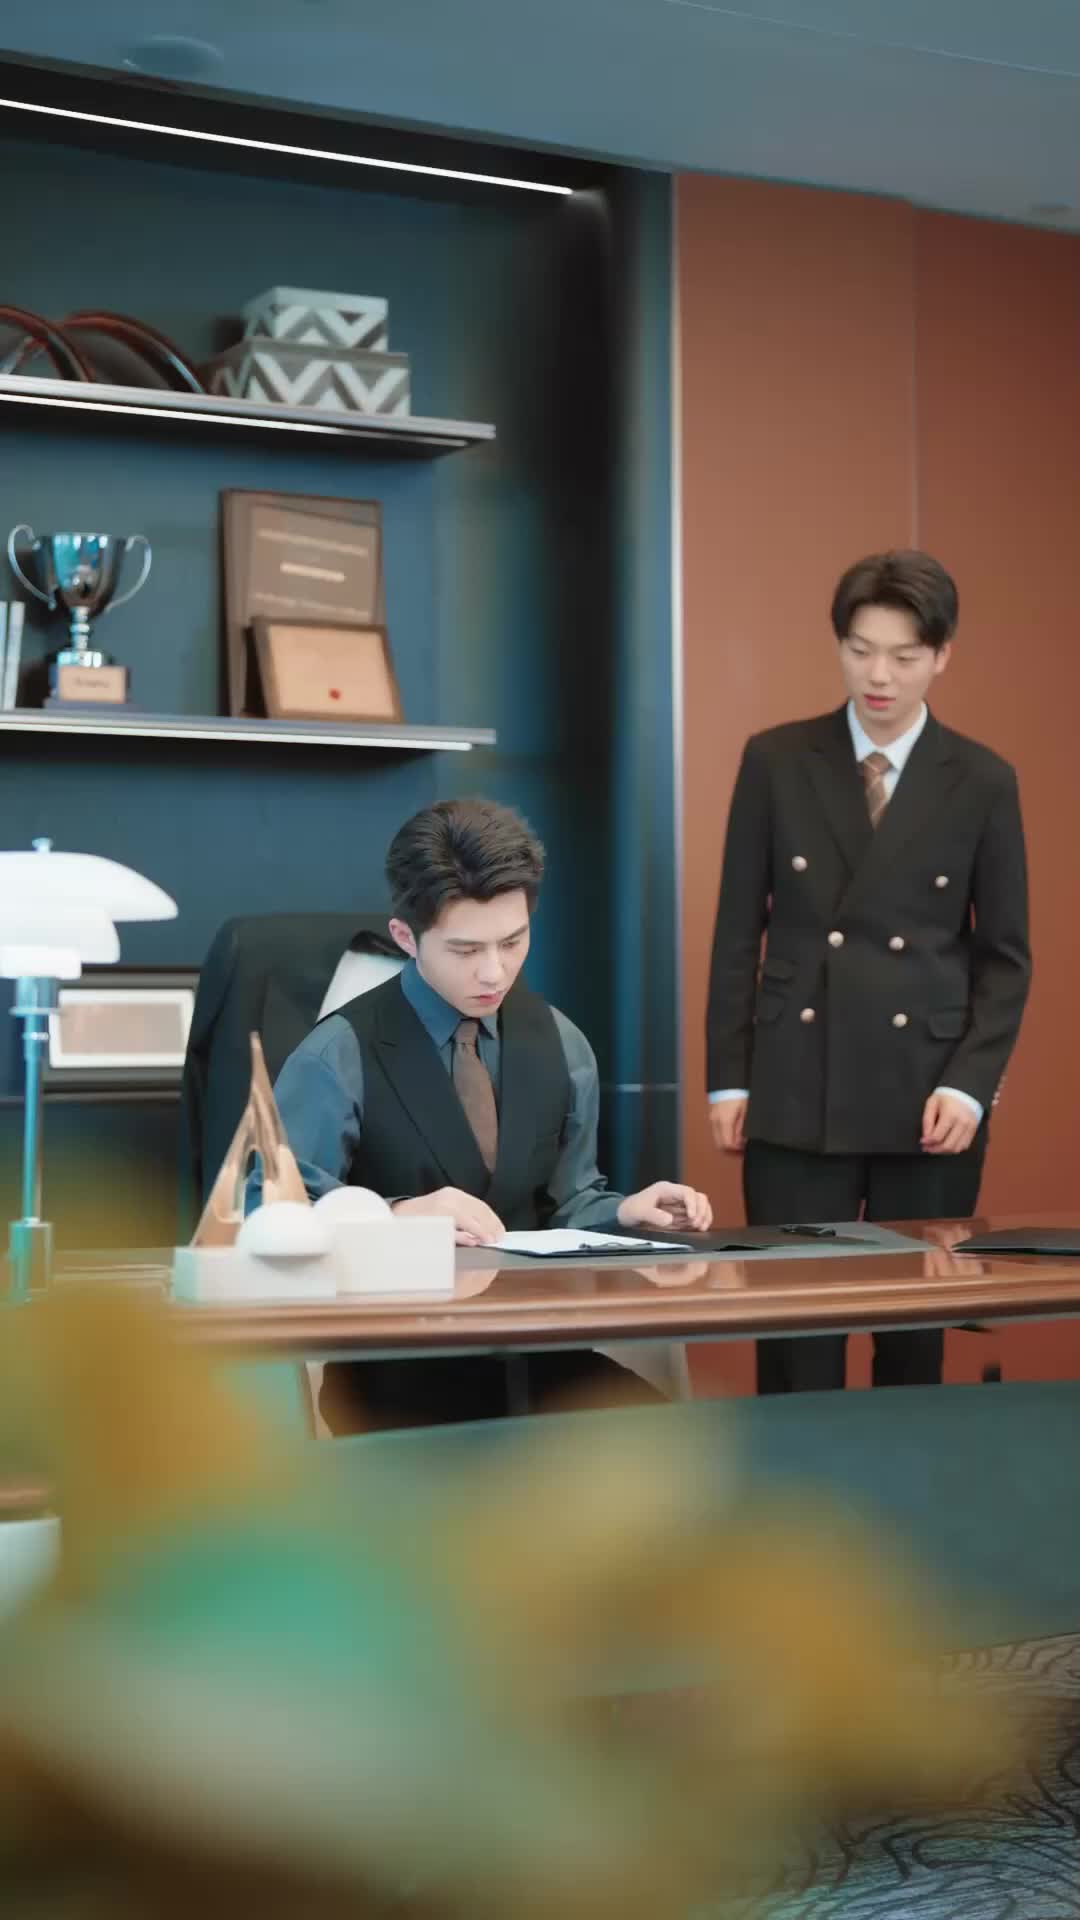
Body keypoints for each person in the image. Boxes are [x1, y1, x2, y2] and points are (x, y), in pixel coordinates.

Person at [254, 797, 711, 1428]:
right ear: (406, 937)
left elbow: (567, 1202)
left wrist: (625, 1212)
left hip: (537, 1352)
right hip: (397, 1368)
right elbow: (267, 1216)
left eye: (512, 941)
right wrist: (398, 1216)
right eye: (465, 950)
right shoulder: (338, 1054)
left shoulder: (562, 1043)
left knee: (668, 1439)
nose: (494, 972)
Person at [705, 549, 1031, 1393]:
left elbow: (1004, 958)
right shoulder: (777, 759)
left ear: (942, 655)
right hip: (794, 1084)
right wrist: (728, 1078)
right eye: (860, 650)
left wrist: (970, 1086)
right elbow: (737, 931)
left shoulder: (983, 779)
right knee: (793, 1334)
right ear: (839, 645)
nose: (879, 676)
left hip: (926, 1097)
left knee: (913, 1338)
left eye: (904, 656)